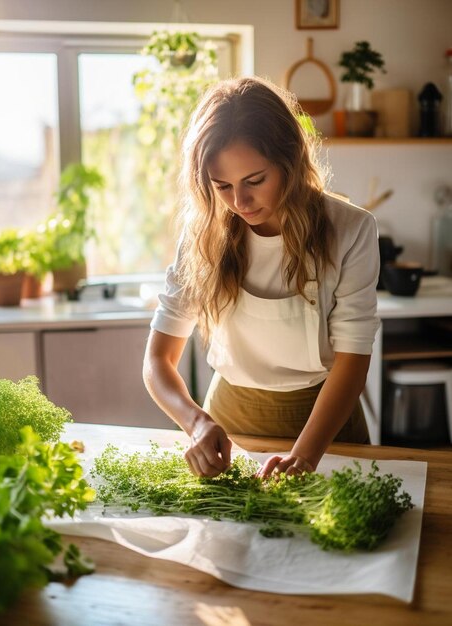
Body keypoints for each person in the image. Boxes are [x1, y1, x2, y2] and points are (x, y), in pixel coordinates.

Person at [143, 76, 380, 479]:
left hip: (326, 430)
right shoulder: (203, 234)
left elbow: (353, 361)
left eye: (255, 181)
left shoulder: (350, 229)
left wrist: (304, 456)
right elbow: (157, 360)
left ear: (290, 161)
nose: (239, 202)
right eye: (222, 186)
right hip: (229, 426)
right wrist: (197, 423)